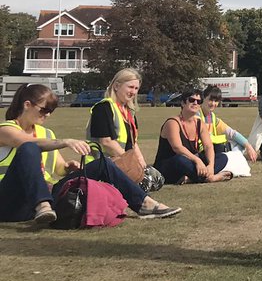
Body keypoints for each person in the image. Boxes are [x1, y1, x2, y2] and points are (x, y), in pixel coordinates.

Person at [0, 83, 179, 224]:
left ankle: (144, 204)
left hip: (46, 196)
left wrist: (69, 167)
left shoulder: (47, 134)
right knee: (29, 148)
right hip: (10, 198)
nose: (47, 116)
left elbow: (59, 169)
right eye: (44, 110)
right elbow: (26, 143)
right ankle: (43, 205)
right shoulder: (6, 129)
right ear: (27, 105)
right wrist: (65, 142)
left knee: (103, 163)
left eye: (51, 111)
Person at [88, 68, 155, 188]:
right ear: (116, 86)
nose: (133, 92)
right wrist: (130, 164)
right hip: (104, 164)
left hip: (122, 162)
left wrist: (141, 164)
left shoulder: (129, 112)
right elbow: (106, 142)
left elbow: (133, 143)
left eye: (136, 89)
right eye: (130, 87)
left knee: (155, 179)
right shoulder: (103, 108)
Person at [155, 87, 232, 185]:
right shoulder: (173, 122)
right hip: (170, 164)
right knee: (180, 159)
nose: (195, 103)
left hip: (190, 161)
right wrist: (197, 161)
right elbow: (177, 148)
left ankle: (193, 178)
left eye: (199, 101)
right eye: (191, 100)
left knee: (222, 157)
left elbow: (208, 146)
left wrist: (211, 166)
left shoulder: (199, 123)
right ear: (183, 103)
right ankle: (210, 178)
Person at [200, 85, 258, 162]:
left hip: (213, 149)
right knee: (223, 146)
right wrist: (222, 138)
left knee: (240, 143)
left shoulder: (212, 117)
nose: (213, 104)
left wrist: (248, 146)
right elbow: (207, 138)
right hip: (202, 151)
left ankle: (231, 158)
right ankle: (231, 158)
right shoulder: (196, 115)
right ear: (203, 98)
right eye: (210, 100)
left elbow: (231, 133)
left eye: (216, 101)